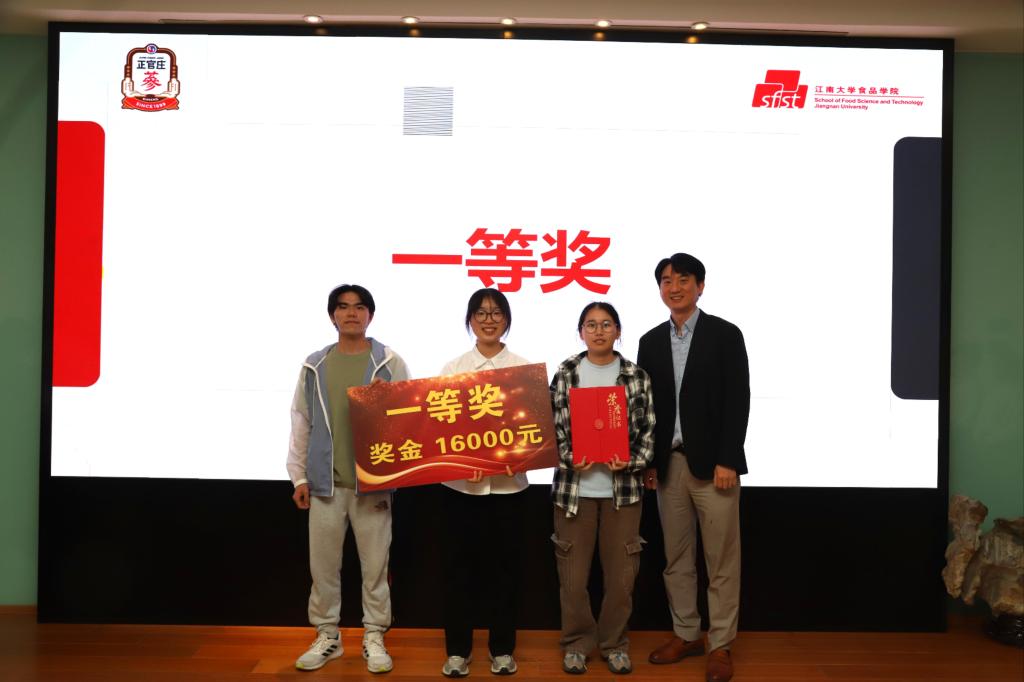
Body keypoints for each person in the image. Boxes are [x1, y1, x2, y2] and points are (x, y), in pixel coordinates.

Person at [636, 254, 750, 682]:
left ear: (700, 286)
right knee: (677, 558)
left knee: (721, 561)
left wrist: (728, 458)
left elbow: (738, 399)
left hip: (715, 466)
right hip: (670, 466)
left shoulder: (725, 334)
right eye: (666, 281)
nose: (675, 287)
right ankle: (686, 634)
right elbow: (647, 408)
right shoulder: (649, 341)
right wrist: (650, 462)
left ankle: (720, 644)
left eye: (684, 279)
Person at [286, 284, 410, 674]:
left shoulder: (388, 362)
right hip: (325, 484)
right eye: (342, 307)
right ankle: (328, 636)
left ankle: (374, 635)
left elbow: (411, 419)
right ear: (332, 315)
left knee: (375, 568)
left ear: (370, 315)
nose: (351, 313)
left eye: (359, 307)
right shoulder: (315, 365)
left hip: (372, 484)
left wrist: (387, 402)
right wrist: (298, 477)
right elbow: (301, 421)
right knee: (323, 568)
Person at [549, 302, 655, 675]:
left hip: (622, 494)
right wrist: (568, 456)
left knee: (621, 579)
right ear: (581, 332)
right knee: (573, 579)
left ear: (618, 331)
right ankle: (576, 644)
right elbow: (551, 429)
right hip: (574, 492)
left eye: (606, 324)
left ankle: (614, 644)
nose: (598, 331)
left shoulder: (635, 376)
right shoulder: (566, 373)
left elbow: (648, 432)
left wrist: (632, 461)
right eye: (591, 325)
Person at [438, 288, 530, 678]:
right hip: (461, 491)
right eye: (481, 313)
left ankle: (502, 650)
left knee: (505, 572)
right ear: (470, 320)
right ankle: (457, 652)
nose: (489, 320)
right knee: (458, 571)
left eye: (496, 313)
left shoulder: (524, 369)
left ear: (506, 319)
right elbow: (440, 430)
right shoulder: (453, 368)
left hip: (510, 489)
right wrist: (463, 462)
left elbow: (532, 432)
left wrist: (519, 457)